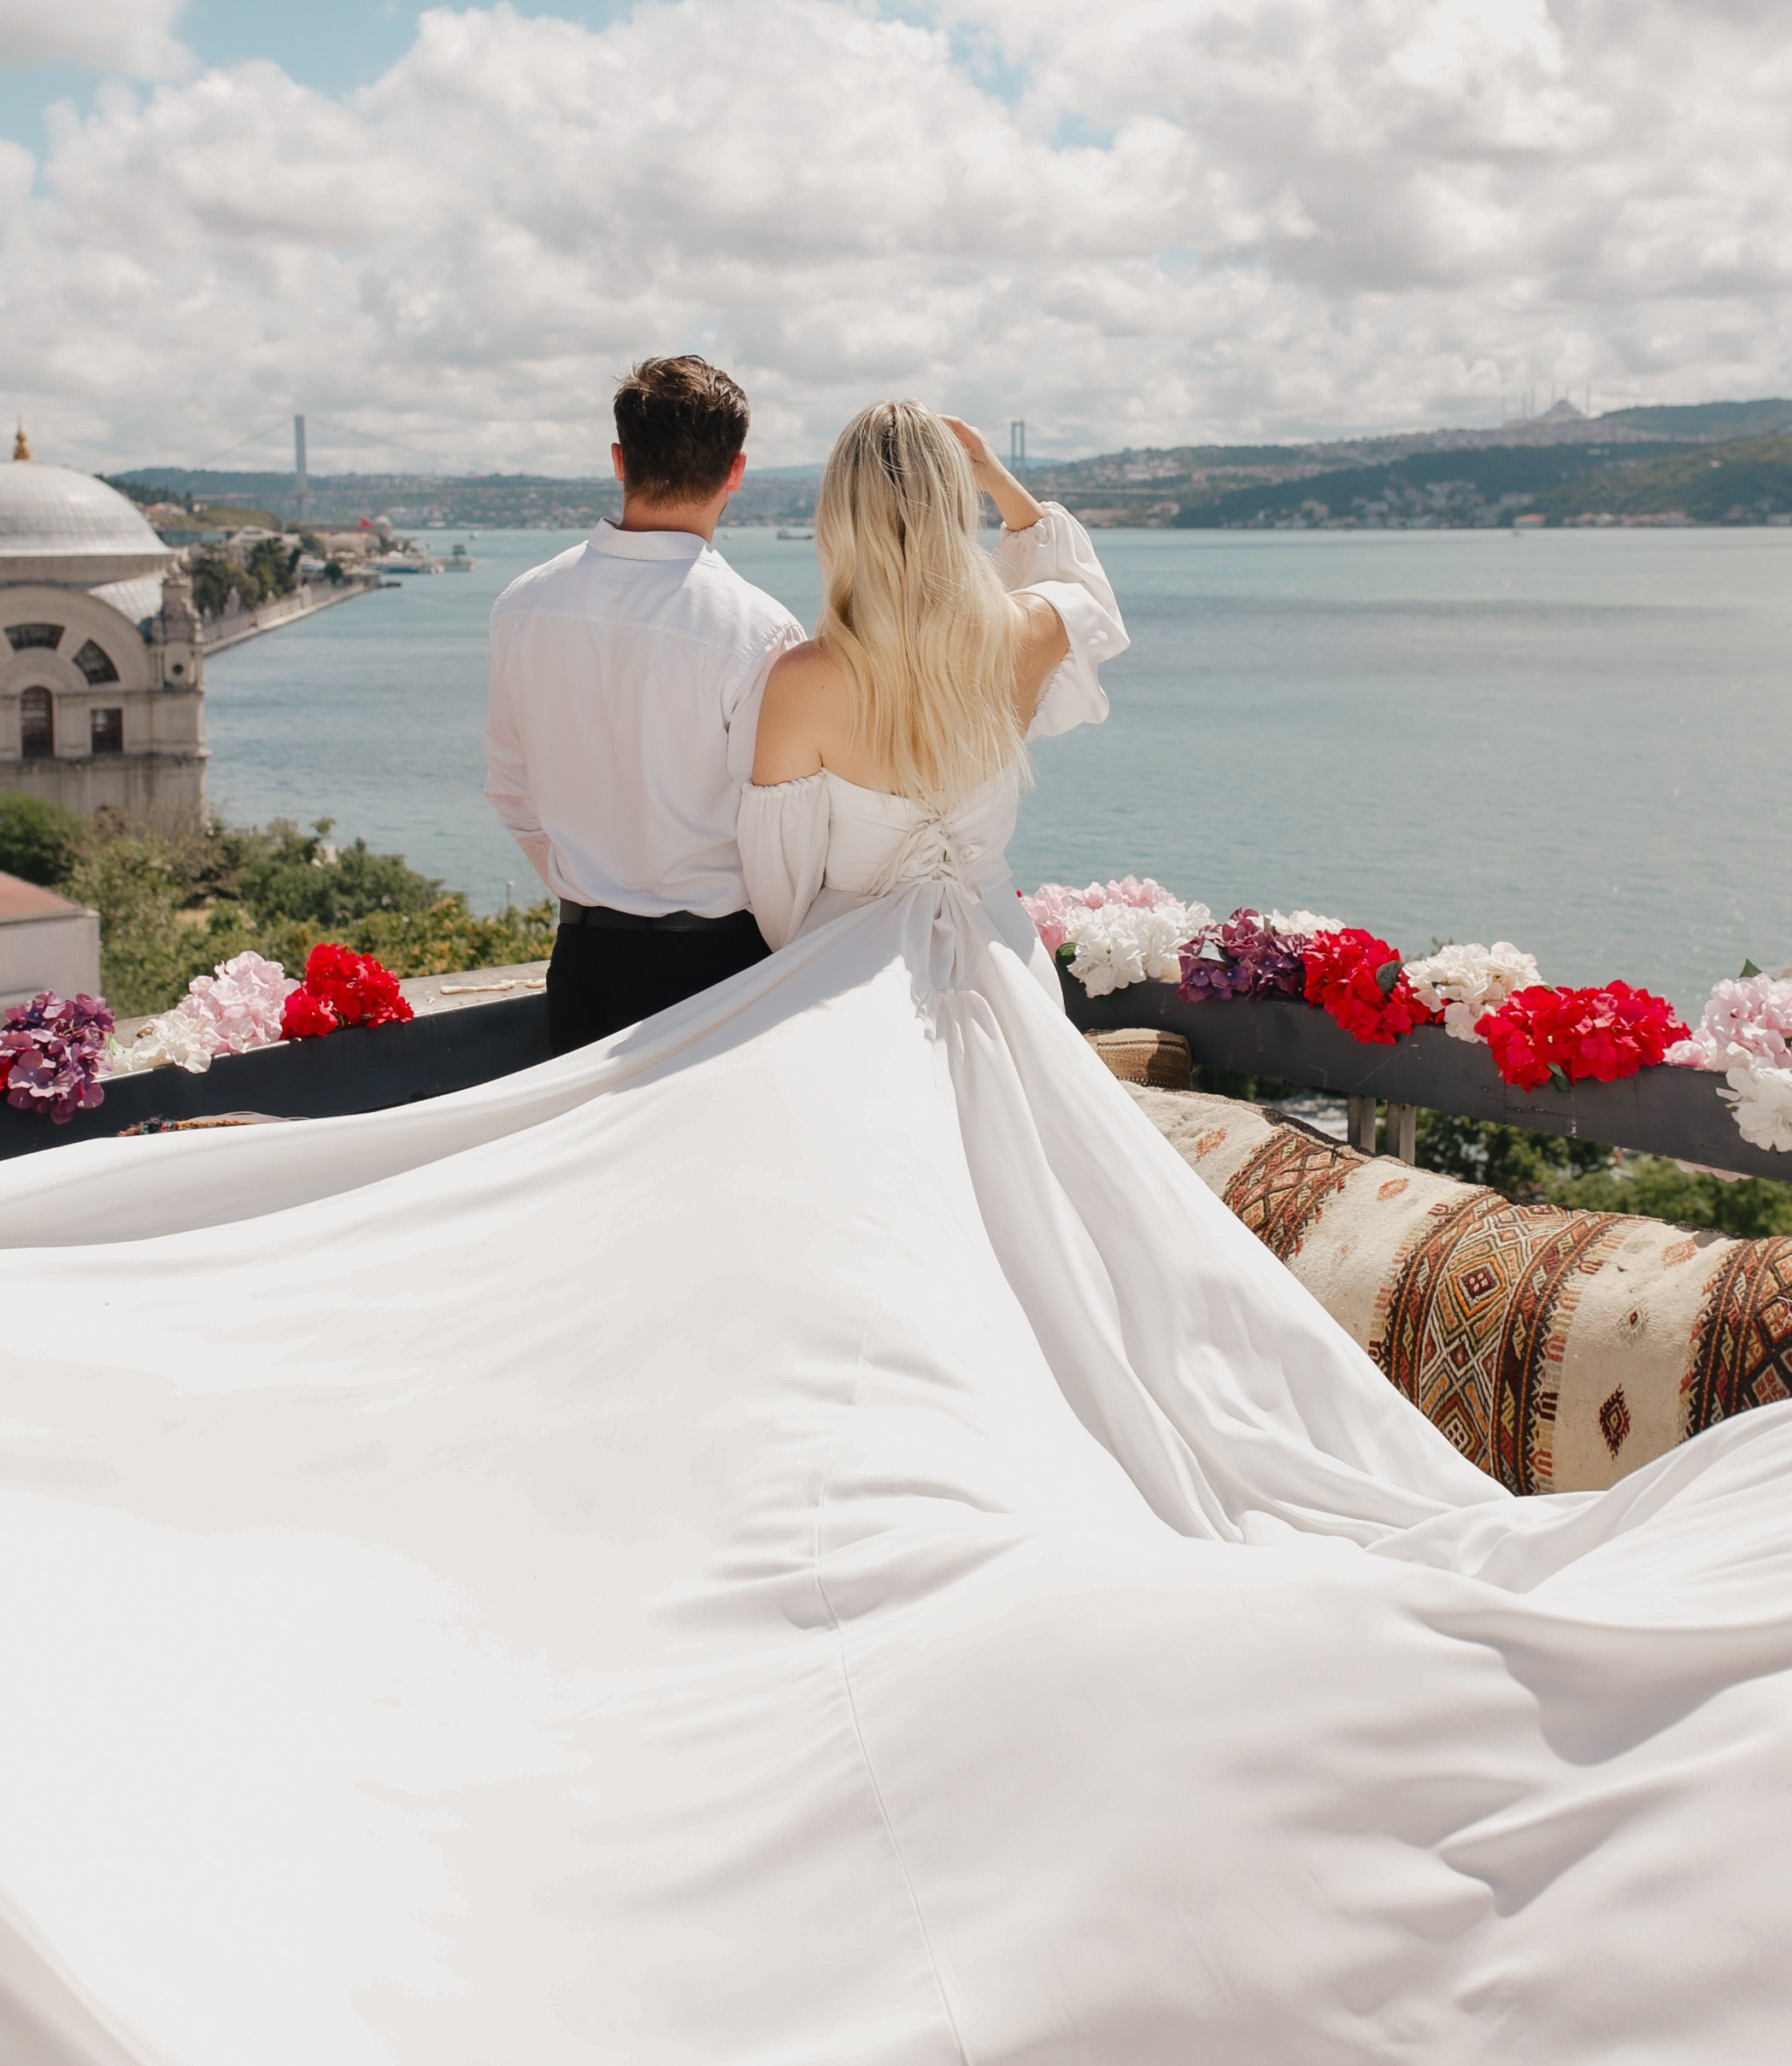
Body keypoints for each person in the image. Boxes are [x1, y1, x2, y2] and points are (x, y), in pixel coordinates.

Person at [0, 403, 1790, 2061]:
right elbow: (1086, 588)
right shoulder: (1012, 640)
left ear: (839, 523)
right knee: (1069, 1276)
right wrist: (1008, 490)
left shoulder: (802, 674)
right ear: (948, 513)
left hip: (852, 996)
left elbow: (780, 899)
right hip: (1001, 989)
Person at [484, 351, 802, 1055]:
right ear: (736, 471)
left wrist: (592, 887)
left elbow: (509, 791)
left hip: (582, 964)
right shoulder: (762, 631)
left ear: (619, 460)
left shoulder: (522, 605)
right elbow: (781, 830)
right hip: (723, 968)